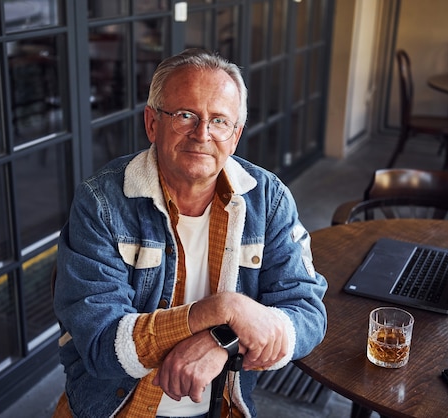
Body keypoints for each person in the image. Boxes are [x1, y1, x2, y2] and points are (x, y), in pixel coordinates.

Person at [53, 48, 327, 418]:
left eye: (219, 121)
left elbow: (308, 313)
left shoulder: (269, 199)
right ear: (152, 123)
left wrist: (221, 340)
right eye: (185, 115)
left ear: (235, 135)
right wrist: (222, 309)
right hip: (115, 407)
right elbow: (101, 344)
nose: (202, 134)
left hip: (225, 407)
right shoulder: (101, 203)